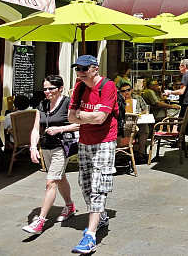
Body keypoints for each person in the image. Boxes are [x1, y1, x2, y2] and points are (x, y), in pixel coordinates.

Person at [68, 55, 118, 254]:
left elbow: (100, 118)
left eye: (84, 68)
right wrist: (85, 115)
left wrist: (81, 114)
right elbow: (70, 116)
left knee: (98, 186)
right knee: (85, 183)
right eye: (78, 68)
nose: (80, 72)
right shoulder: (79, 88)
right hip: (84, 140)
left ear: (95, 69)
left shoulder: (108, 86)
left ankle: (90, 235)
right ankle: (101, 215)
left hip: (105, 141)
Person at [23, 75, 79, 235]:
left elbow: (82, 124)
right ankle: (69, 206)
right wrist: (33, 147)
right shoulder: (42, 104)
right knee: (59, 177)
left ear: (60, 88)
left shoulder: (68, 103)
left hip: (61, 147)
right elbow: (35, 128)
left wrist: (60, 129)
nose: (47, 92)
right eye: (45, 89)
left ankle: (40, 221)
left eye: (50, 88)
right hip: (46, 147)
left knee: (50, 182)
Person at [164, 59, 188, 150]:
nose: (179, 68)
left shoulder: (186, 76)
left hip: (186, 102)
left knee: (182, 123)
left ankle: (180, 142)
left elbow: (181, 91)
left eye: (180, 66)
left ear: (184, 66)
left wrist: (169, 92)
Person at [119, 82, 149, 161]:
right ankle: (122, 152)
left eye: (128, 90)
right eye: (124, 91)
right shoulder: (118, 100)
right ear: (120, 92)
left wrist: (140, 114)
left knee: (144, 127)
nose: (126, 92)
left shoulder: (138, 98)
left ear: (131, 90)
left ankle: (140, 153)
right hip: (124, 124)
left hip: (138, 122)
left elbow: (145, 109)